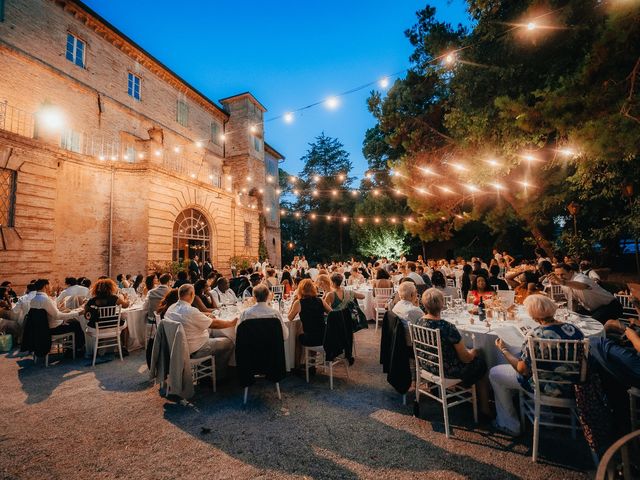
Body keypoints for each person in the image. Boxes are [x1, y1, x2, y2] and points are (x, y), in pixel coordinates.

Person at [489, 294, 585, 436]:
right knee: (538, 366)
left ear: (533, 316)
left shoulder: (536, 335)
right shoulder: (574, 329)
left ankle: (509, 424)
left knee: (495, 373)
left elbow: (522, 370)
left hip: (547, 387)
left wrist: (503, 350)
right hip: (575, 386)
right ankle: (546, 417)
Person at [418, 288, 492, 417]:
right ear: (442, 304)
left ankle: (464, 390)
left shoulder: (419, 322)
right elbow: (466, 359)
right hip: (447, 370)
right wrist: (475, 351)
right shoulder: (447, 327)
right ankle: (485, 409)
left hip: (427, 365)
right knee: (481, 362)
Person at [165, 284, 236, 376]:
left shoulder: (172, 307)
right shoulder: (190, 311)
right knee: (228, 342)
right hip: (194, 349)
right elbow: (214, 324)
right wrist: (232, 323)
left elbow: (190, 315)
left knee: (212, 335)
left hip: (176, 347)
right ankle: (219, 374)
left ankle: (206, 369)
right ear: (192, 294)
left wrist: (204, 315)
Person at [548, 263, 622, 323]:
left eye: (562, 274)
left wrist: (562, 282)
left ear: (571, 272)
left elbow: (582, 286)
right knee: (573, 320)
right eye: (557, 275)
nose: (559, 277)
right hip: (592, 310)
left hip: (611, 306)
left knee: (590, 323)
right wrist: (570, 314)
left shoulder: (581, 277)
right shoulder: (564, 283)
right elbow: (573, 301)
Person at [30, 279, 85, 354]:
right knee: (76, 324)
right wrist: (78, 313)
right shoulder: (46, 299)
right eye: (50, 285)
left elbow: (49, 314)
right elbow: (57, 316)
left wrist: (62, 312)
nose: (51, 287)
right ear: (45, 286)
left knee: (71, 322)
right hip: (51, 329)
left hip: (40, 329)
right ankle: (77, 349)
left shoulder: (33, 299)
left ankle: (71, 348)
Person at [288, 279, 331, 348]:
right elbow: (332, 313)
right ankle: (312, 358)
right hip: (324, 337)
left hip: (310, 339)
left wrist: (293, 301)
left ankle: (298, 359)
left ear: (300, 290)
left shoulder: (298, 303)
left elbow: (290, 318)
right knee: (305, 333)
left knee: (297, 336)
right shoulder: (320, 300)